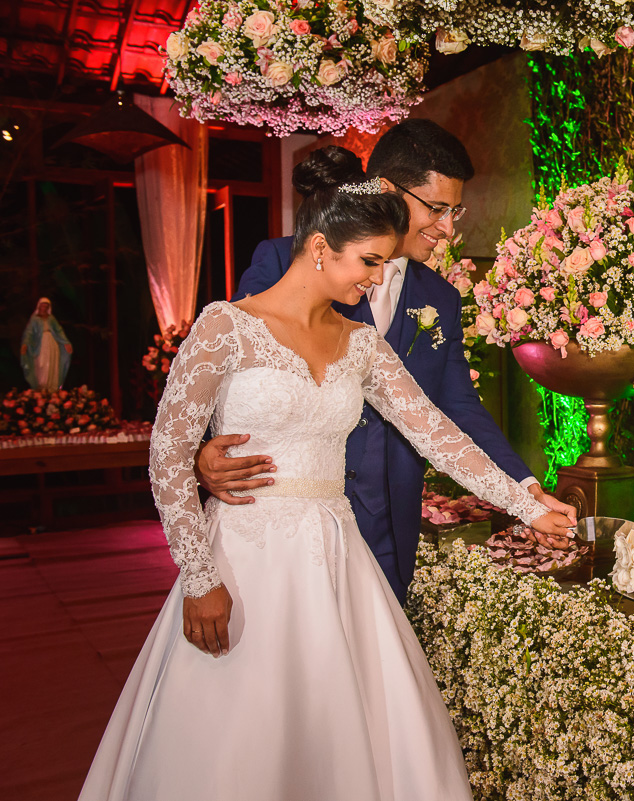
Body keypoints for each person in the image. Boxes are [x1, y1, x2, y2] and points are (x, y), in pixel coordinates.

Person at [78, 148, 573, 801]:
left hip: (336, 553)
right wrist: (199, 576)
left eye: (385, 264)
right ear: (319, 247)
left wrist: (525, 501)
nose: (376, 279)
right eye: (369, 261)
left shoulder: (362, 344)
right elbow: (168, 450)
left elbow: (437, 431)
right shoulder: (226, 326)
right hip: (242, 555)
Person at [195, 120, 575, 603]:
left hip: (390, 519)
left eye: (455, 211)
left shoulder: (440, 296)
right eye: (435, 209)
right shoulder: (285, 261)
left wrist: (527, 492)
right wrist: (206, 452)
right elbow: (229, 374)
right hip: (282, 520)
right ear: (385, 190)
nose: (447, 228)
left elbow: (458, 408)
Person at [21, 297, 72, 391]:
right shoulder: (35, 319)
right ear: (39, 306)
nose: (44, 308)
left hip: (52, 342)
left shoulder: (51, 318)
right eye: (42, 306)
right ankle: (41, 387)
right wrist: (25, 344)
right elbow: (29, 332)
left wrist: (66, 343)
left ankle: (51, 388)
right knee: (41, 364)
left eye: (46, 306)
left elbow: (59, 331)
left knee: (52, 363)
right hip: (39, 344)